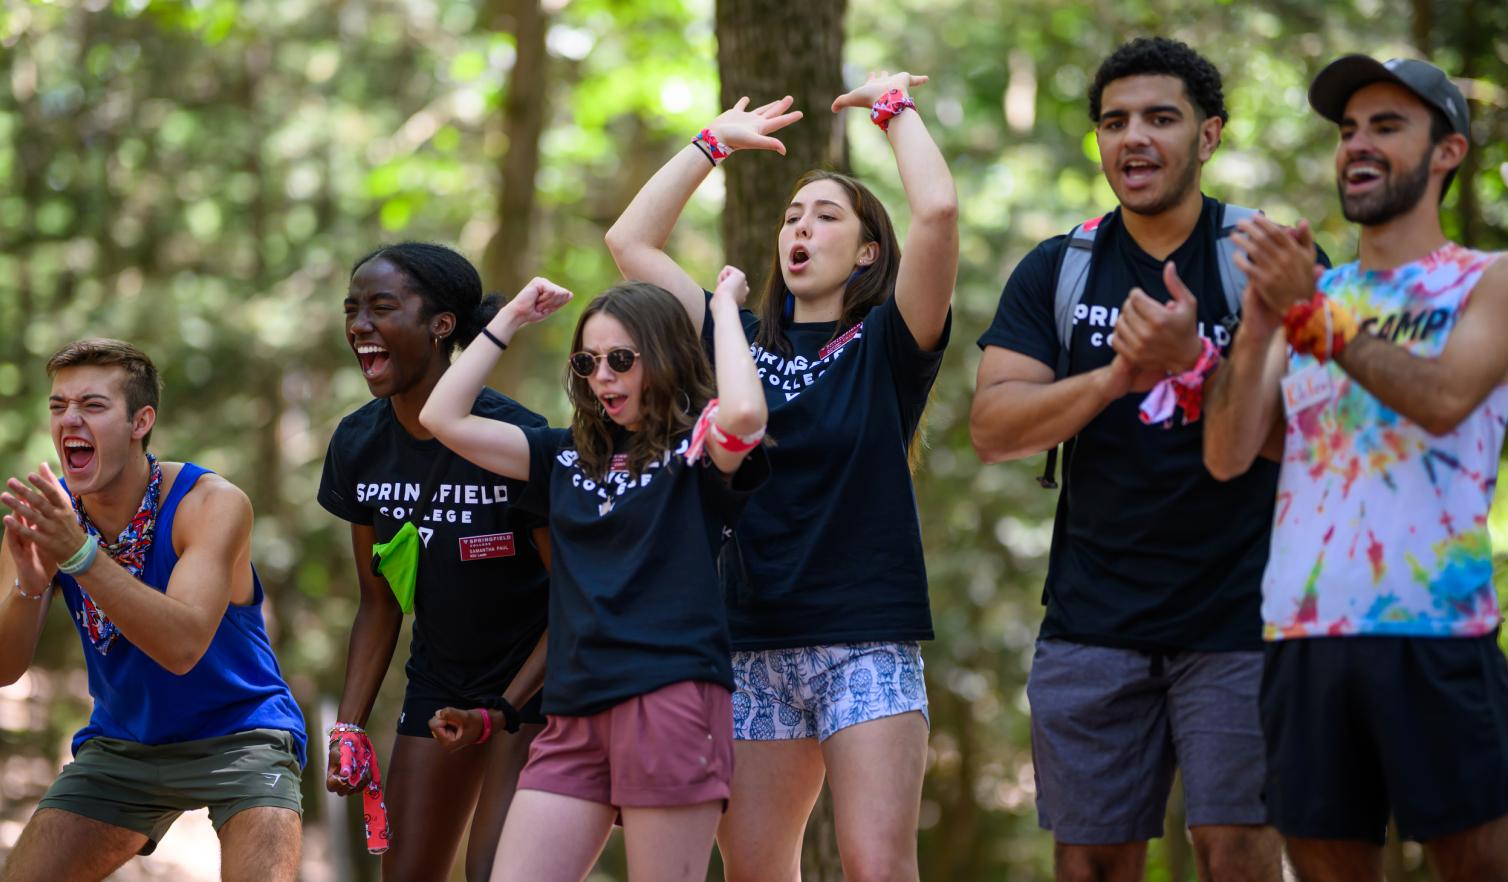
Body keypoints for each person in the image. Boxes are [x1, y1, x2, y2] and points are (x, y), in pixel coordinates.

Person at [605, 68, 956, 882]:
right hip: (752, 644)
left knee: (876, 866)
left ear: (868, 251)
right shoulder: (734, 341)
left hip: (863, 639)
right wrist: (710, 144)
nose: (800, 227)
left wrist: (892, 108)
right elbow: (631, 245)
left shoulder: (888, 343)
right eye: (792, 216)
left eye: (826, 216)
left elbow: (937, 212)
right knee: (759, 871)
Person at [969, 37, 1293, 882]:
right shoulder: (1059, 267)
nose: (1134, 139)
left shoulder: (1267, 261)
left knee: (1239, 855)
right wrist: (1120, 375)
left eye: (1161, 117)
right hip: (1093, 619)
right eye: (1114, 122)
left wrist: (1200, 363)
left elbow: (1310, 440)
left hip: (1245, 617)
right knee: (1091, 865)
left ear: (1210, 135)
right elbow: (994, 428)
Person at [1203, 55, 1508, 882]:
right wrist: (1263, 325)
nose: (1358, 146)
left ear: (1448, 152)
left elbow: (1444, 399)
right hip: (1302, 635)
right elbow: (1228, 455)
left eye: (1386, 126)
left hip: (1434, 630)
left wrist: (1308, 311)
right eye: (1347, 131)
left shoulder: (1488, 281)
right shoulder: (1312, 291)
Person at [418, 268, 769, 882]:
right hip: (574, 715)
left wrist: (730, 312)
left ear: (662, 358)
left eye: (621, 359)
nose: (602, 375)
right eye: (587, 361)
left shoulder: (693, 452)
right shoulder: (561, 456)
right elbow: (442, 416)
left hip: (671, 702)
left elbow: (741, 413)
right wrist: (512, 318)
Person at [0, 338, 307, 882]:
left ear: (140, 421)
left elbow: (182, 647)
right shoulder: (51, 514)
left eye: (93, 405)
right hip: (124, 744)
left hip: (243, 735)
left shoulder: (211, 504)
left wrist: (80, 556)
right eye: (59, 406)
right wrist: (30, 588)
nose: (69, 420)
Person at [317, 242, 552, 879]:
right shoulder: (358, 443)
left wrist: (502, 708)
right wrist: (349, 729)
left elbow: (578, 603)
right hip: (439, 684)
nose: (359, 325)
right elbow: (380, 600)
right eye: (352, 310)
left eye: (382, 307)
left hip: (537, 687)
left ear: (442, 324)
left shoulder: (518, 440)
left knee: (493, 873)